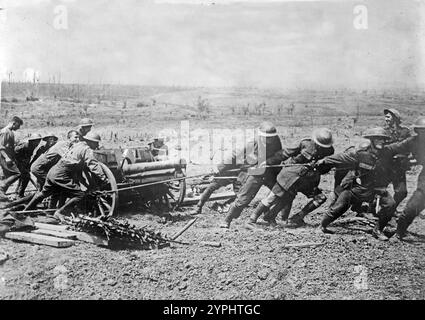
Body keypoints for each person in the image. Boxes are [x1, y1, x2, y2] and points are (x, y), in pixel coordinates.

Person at [317, 127, 401, 241]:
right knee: (339, 207)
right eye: (378, 139)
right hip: (358, 188)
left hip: (377, 189)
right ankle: (322, 226)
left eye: (383, 139)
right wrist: (325, 160)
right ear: (371, 140)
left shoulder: (386, 156)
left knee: (390, 204)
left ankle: (378, 230)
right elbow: (342, 157)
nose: (381, 141)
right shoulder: (361, 154)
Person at [248, 128, 334, 228]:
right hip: (290, 176)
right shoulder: (305, 144)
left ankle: (297, 218)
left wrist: (320, 166)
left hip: (307, 181)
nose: (320, 146)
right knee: (273, 198)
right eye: (319, 143)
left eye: (323, 145)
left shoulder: (329, 151)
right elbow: (285, 153)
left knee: (320, 198)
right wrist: (267, 163)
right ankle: (251, 220)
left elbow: (325, 169)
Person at [24, 131, 108, 220]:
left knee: (44, 193)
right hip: (61, 174)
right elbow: (93, 164)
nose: (97, 145)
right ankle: (59, 212)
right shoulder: (86, 150)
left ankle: (25, 211)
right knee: (80, 195)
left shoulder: (77, 145)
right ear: (91, 142)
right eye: (96, 142)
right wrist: (103, 177)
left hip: (53, 171)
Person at [219, 122, 282, 228]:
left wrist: (270, 161)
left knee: (281, 193)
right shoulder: (252, 142)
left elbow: (279, 154)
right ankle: (226, 221)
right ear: (261, 136)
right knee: (243, 199)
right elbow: (236, 154)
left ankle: (270, 217)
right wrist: (221, 168)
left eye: (271, 138)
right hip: (255, 173)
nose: (270, 140)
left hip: (270, 172)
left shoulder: (276, 141)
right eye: (267, 138)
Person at [381, 116, 425, 241]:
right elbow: (394, 148)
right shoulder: (413, 141)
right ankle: (400, 232)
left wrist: (412, 161)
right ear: (417, 131)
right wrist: (376, 150)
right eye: (421, 131)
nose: (423, 134)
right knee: (414, 205)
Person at [382, 108, 413, 211]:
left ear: (395, 118)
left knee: (401, 192)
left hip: (399, 167)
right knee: (377, 189)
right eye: (385, 116)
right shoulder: (383, 132)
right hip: (386, 166)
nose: (386, 119)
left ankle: (390, 210)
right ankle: (366, 209)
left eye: (388, 116)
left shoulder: (405, 131)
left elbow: (409, 146)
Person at [0, 116, 24, 201]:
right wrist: (7, 158)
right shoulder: (5, 132)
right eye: (18, 125)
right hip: (4, 156)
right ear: (14, 123)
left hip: (8, 156)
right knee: (17, 173)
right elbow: (1, 147)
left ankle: (2, 196)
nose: (19, 127)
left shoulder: (10, 132)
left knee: (8, 175)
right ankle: (1, 189)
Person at [14, 133, 43, 198]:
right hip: (17, 162)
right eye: (36, 141)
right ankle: (19, 194)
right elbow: (14, 153)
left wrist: (27, 165)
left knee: (23, 177)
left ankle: (18, 192)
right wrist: (20, 164)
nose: (37, 143)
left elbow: (28, 156)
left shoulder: (32, 146)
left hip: (24, 163)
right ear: (31, 141)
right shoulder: (24, 145)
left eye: (39, 141)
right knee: (26, 177)